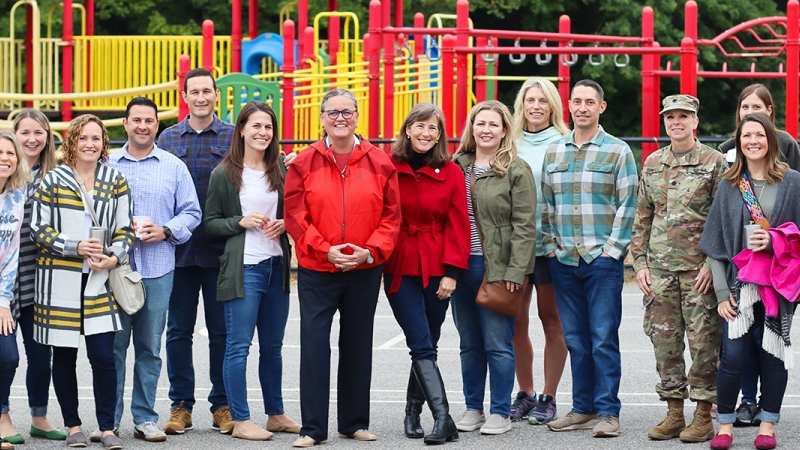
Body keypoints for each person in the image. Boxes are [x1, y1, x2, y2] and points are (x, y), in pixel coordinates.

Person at [284, 88, 401, 448]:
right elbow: (295, 215)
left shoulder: (380, 161)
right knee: (315, 345)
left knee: (357, 343)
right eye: (332, 112)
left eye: (346, 112)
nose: (340, 118)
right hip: (318, 269)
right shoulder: (304, 162)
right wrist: (325, 250)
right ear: (322, 118)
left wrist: (369, 252)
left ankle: (353, 422)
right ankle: (313, 428)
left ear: (356, 116)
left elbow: (391, 216)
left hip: (364, 269)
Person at [541, 80, 638, 438]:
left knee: (602, 338)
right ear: (569, 106)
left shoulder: (618, 151)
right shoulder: (554, 152)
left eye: (589, 102)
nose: (582, 108)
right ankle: (582, 408)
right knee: (576, 340)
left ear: (602, 107)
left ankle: (608, 412)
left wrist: (612, 253)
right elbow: (546, 205)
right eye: (577, 102)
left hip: (602, 260)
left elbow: (629, 205)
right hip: (563, 259)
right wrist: (550, 247)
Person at [31, 115, 134, 450]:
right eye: (83, 138)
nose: (90, 144)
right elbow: (38, 229)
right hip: (59, 279)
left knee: (104, 356)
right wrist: (73, 246)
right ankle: (73, 425)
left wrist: (114, 256)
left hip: (99, 280)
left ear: (104, 142)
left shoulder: (116, 179)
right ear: (71, 142)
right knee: (63, 356)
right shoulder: (53, 180)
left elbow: (125, 229)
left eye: (97, 138)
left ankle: (107, 428)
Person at [104, 97, 202, 443]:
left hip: (159, 267)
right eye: (136, 120)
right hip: (116, 269)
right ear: (126, 124)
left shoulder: (174, 166)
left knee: (149, 348)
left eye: (149, 120)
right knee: (113, 347)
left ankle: (145, 417)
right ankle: (109, 421)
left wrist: (166, 230)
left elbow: (192, 212)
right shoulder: (107, 163)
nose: (142, 126)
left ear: (157, 125)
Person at [700, 112, 800, 450]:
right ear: (739, 142)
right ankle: (725, 425)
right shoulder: (730, 185)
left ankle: (768, 425)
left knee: (773, 355)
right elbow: (714, 246)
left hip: (777, 286)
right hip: (738, 287)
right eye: (746, 136)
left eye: (759, 134)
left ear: (771, 139)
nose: (752, 141)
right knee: (732, 357)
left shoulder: (792, 182)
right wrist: (721, 293)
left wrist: (775, 242)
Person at [630, 95, 727, 443]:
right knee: (665, 344)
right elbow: (642, 215)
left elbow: (722, 219)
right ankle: (674, 412)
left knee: (703, 344)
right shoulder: (654, 161)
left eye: (683, 116)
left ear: (695, 121)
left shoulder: (714, 162)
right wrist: (639, 262)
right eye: (670, 117)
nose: (676, 122)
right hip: (659, 271)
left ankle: (703, 415)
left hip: (698, 272)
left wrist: (712, 262)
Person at [204, 101, 300, 441]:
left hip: (277, 268)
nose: (263, 133)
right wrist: (239, 221)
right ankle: (242, 420)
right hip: (243, 270)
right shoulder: (224, 173)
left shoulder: (282, 170)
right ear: (241, 129)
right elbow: (210, 223)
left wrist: (285, 223)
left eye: (268, 127)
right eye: (256, 126)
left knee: (273, 347)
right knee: (238, 346)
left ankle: (275, 414)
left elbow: (299, 212)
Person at [383, 103, 469, 444]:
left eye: (433, 128)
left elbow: (459, 225)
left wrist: (452, 273)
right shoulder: (388, 165)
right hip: (400, 264)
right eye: (420, 126)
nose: (425, 133)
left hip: (437, 265)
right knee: (420, 341)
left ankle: (412, 411)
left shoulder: (450, 171)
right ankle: (443, 417)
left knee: (427, 343)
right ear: (407, 129)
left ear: (440, 135)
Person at [450, 100, 537, 436]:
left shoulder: (516, 169)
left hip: (498, 269)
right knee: (469, 343)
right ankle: (473, 408)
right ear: (472, 127)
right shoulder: (456, 166)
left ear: (504, 131)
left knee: (498, 343)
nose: (486, 130)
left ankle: (500, 410)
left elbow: (525, 225)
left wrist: (518, 271)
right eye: (480, 123)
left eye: (493, 125)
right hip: (459, 268)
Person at [157, 68, 234, 435]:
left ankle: (222, 405)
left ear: (217, 95)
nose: (201, 97)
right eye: (194, 92)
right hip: (179, 252)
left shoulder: (235, 136)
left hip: (223, 253)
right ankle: (181, 406)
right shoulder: (168, 138)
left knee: (222, 332)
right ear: (184, 96)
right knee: (178, 332)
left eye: (207, 91)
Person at [509, 77, 569, 424]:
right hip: (517, 247)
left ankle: (549, 396)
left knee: (552, 322)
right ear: (522, 104)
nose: (535, 106)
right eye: (530, 100)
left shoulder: (563, 142)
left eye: (542, 101)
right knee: (516, 323)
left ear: (552, 106)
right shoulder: (509, 142)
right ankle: (526, 393)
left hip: (549, 247)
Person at [3, 110, 64, 444]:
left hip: (42, 279)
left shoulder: (56, 175)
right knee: (7, 356)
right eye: (24, 132)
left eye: (38, 132)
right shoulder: (7, 175)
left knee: (42, 355)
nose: (31, 139)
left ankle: (39, 416)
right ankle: (3, 415)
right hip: (7, 279)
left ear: (47, 136)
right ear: (14, 136)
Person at [0, 131, 32, 450]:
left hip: (0, 294)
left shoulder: (16, 198)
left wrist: (3, 301)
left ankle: (2, 413)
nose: (4, 157)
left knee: (7, 357)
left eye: (10, 153)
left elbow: (10, 254)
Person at [718, 83, 800, 172]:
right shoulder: (726, 149)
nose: (750, 112)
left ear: (769, 110)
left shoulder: (785, 142)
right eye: (745, 107)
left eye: (756, 107)